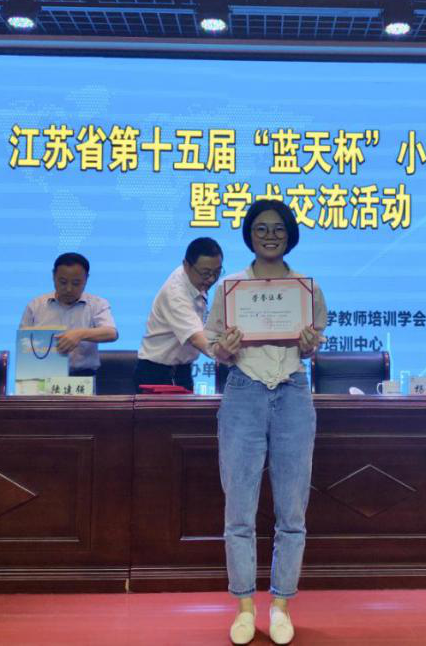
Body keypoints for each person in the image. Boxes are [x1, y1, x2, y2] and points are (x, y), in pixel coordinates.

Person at [204, 200, 326, 645]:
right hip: (244, 391)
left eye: (278, 228)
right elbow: (215, 346)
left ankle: (280, 605)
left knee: (292, 511)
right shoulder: (231, 288)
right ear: (249, 234)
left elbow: (311, 344)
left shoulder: (306, 288)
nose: (270, 235)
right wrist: (224, 348)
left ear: (290, 234)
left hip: (292, 390)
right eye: (261, 228)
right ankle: (243, 606)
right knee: (239, 510)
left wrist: (310, 345)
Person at [133, 237, 224, 392]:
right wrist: (224, 355)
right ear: (186, 265)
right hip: (156, 374)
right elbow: (196, 338)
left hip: (182, 371)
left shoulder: (193, 278)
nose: (211, 279)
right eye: (205, 273)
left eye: (217, 272)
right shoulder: (176, 293)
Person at [19, 252, 118, 377]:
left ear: (86, 279)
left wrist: (80, 334)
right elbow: (23, 343)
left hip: (82, 377)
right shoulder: (35, 306)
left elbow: (111, 333)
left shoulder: (97, 304)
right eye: (63, 282)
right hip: (41, 376)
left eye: (76, 283)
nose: (69, 289)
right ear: (53, 276)